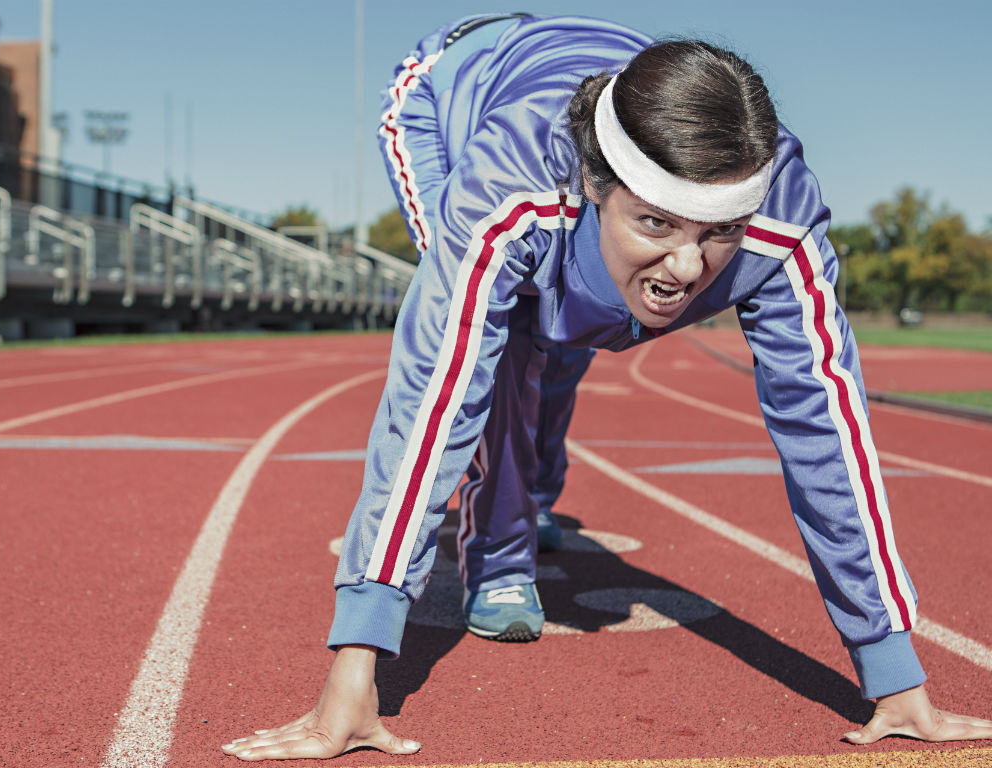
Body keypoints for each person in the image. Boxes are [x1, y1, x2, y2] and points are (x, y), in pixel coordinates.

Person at [223, 14, 992, 760]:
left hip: (601, 96)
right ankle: (498, 551)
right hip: (450, 92)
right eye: (658, 223)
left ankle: (537, 485)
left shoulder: (780, 221)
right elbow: (434, 396)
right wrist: (359, 663)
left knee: (580, 329)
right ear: (595, 180)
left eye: (716, 232)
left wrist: (892, 669)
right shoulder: (510, 185)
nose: (689, 268)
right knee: (507, 336)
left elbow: (828, 432)